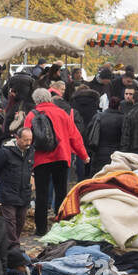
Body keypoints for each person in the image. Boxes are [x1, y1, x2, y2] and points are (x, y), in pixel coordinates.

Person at [25, 87, 88, 237]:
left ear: (36, 100)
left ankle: (41, 229)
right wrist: (84, 155)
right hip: (62, 156)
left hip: (41, 159)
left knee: (41, 194)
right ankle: (60, 226)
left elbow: (27, 136)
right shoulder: (62, 113)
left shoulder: (32, 115)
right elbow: (74, 136)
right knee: (61, 192)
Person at [0, 126, 34, 245]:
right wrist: (4, 182)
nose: (28, 143)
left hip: (24, 192)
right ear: (17, 138)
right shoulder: (5, 152)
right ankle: (13, 246)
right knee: (10, 221)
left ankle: (12, 244)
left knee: (20, 221)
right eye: (25, 140)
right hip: (8, 192)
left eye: (30, 140)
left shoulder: (30, 151)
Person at [88, 90, 124, 174]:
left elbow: (89, 132)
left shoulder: (98, 116)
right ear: (119, 106)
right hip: (116, 153)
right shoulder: (123, 118)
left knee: (98, 176)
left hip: (99, 152)